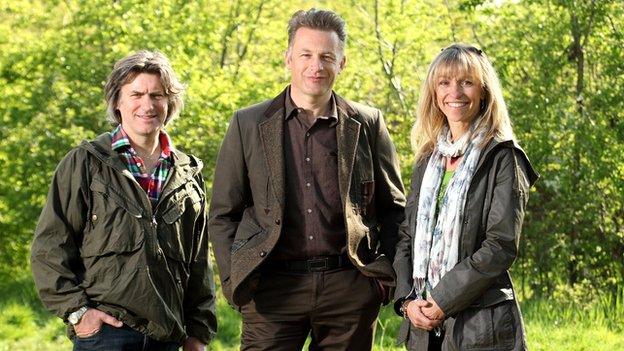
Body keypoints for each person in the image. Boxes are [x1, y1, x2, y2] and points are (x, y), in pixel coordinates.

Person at [208, 8, 406, 351]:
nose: (316, 65)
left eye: (327, 56)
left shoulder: (368, 123)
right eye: (306, 55)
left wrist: (381, 280)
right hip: (272, 290)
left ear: (341, 63)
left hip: (349, 289)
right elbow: (224, 213)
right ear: (288, 59)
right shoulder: (247, 124)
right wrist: (235, 281)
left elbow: (393, 209)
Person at [31, 50, 217, 351]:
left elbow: (198, 264)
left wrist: (198, 332)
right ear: (117, 101)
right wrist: (79, 314)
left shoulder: (188, 173)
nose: (147, 104)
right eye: (136, 94)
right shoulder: (86, 163)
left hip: (169, 336)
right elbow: (49, 248)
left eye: (157, 95)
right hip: (105, 335)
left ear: (170, 103)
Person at [392, 44, 539, 350]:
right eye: (444, 83)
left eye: (466, 82)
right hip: (423, 327)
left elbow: (500, 246)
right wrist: (407, 301)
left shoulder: (503, 157)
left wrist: (442, 299)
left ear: (483, 91)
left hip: (480, 328)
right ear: (434, 93)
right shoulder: (428, 158)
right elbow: (408, 235)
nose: (454, 92)